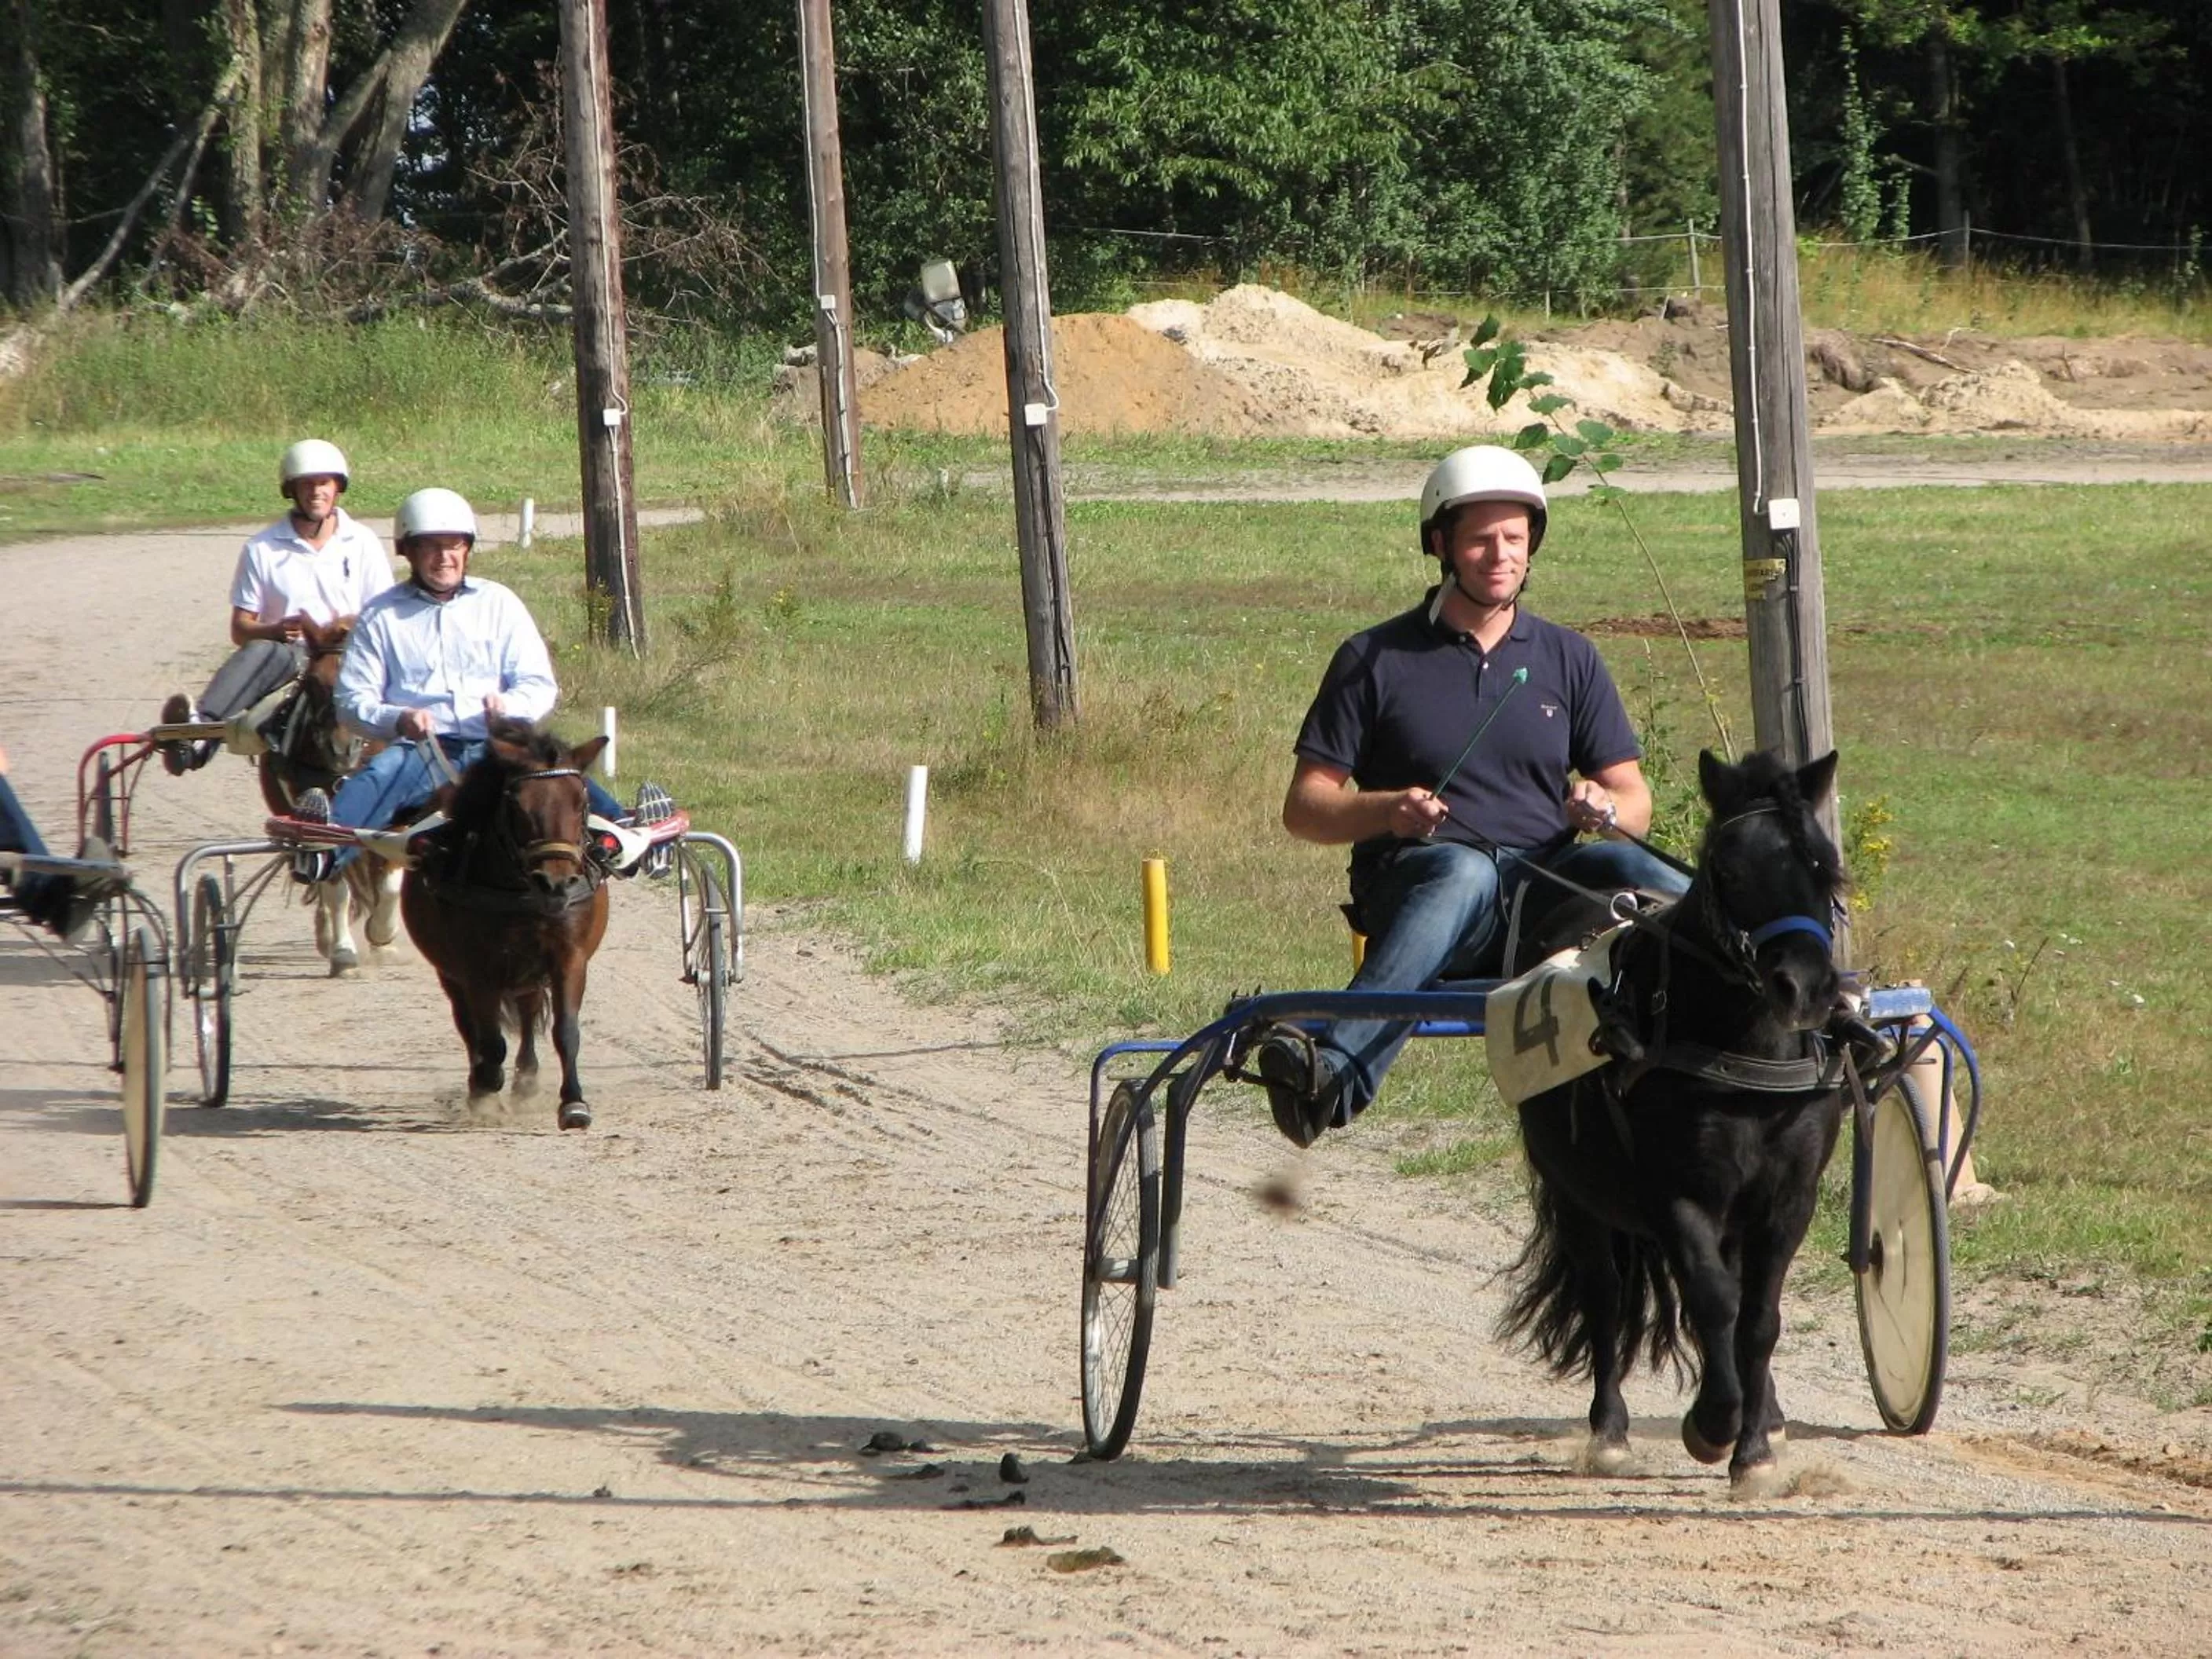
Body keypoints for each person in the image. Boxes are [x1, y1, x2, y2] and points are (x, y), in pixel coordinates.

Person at [1252, 445, 1690, 1148]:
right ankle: (1331, 1075)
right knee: (1465, 868)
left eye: (1514, 538)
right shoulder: (1373, 658)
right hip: (1425, 891)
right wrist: (1388, 810)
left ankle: (1780, 973)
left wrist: (1605, 811)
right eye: (1481, 539)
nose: (1500, 554)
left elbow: (1632, 796)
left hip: (1543, 901)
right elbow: (1304, 808)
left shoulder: (1569, 658)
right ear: (1441, 545)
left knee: (1632, 867)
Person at [304, 487, 668, 862]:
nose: (444, 557)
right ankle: (322, 849)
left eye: (454, 545)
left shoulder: (499, 603)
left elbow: (538, 682)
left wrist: (510, 706)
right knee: (382, 772)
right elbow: (351, 702)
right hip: (424, 750)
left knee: (558, 775)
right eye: (431, 546)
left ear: (467, 549)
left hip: (497, 747)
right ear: (407, 550)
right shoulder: (380, 616)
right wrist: (400, 718)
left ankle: (634, 835)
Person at [159, 438, 395, 772]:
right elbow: (240, 629)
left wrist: (345, 628)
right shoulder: (261, 549)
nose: (316, 492)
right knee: (264, 651)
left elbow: (383, 616)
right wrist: (274, 630)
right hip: (291, 660)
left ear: (337, 487)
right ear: (292, 491)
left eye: (324, 483)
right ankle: (198, 735)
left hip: (349, 653)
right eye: (307, 484)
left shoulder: (363, 542)